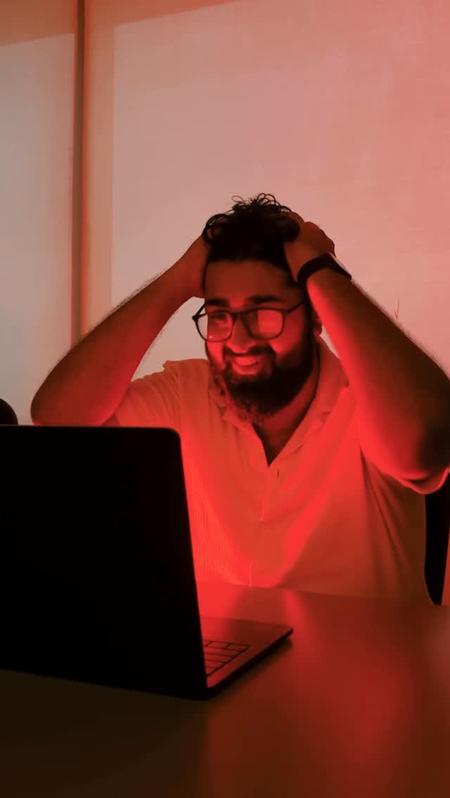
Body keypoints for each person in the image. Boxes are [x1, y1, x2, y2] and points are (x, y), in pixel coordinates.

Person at [31, 194, 450, 602]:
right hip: (226, 649)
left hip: (364, 651)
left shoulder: (369, 401)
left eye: (263, 313)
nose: (239, 340)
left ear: (315, 316)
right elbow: (57, 417)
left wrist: (319, 270)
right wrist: (178, 279)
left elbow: (423, 444)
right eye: (219, 316)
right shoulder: (186, 393)